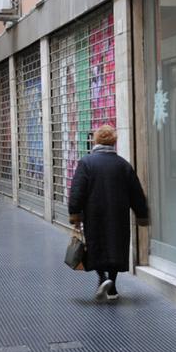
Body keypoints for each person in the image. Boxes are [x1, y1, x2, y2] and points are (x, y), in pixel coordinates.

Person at [68, 125, 149, 302]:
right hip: (118, 214)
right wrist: (142, 214)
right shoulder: (123, 165)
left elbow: (77, 190)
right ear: (114, 142)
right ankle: (111, 284)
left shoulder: (87, 163)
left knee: (96, 246)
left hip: (94, 214)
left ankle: (102, 278)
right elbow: (136, 192)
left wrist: (75, 213)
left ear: (95, 141)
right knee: (115, 247)